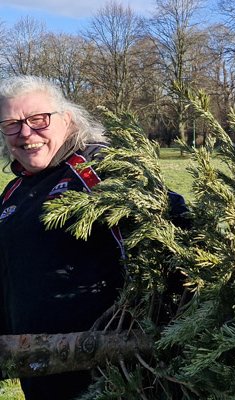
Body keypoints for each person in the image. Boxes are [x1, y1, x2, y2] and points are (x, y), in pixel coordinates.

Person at [0, 75, 126, 399]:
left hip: (102, 375)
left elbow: (166, 219)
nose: (26, 133)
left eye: (38, 119)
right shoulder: (14, 190)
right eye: (11, 124)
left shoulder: (98, 169)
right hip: (38, 372)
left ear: (66, 119)